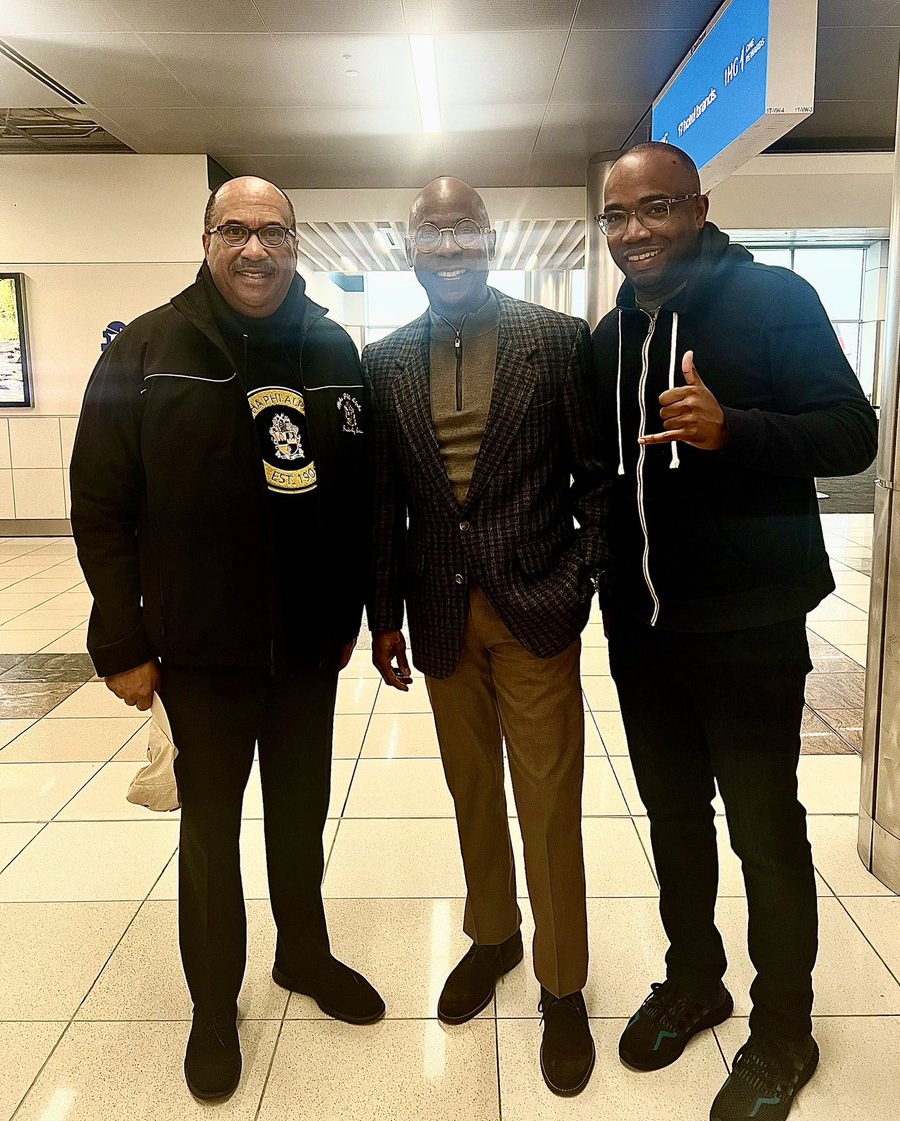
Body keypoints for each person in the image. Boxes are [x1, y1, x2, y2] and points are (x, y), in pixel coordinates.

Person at [70, 176, 385, 1103]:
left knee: (300, 815)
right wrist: (121, 637)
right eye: (237, 231)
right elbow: (99, 503)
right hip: (200, 647)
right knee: (211, 832)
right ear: (206, 239)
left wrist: (350, 617)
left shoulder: (330, 345)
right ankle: (215, 1005)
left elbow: (355, 495)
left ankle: (305, 955)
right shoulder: (148, 349)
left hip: (305, 649)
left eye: (274, 232)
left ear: (297, 242)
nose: (257, 249)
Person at [591, 142, 877, 1121]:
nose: (635, 233)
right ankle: (694, 976)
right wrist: (601, 574)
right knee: (674, 822)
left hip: (751, 627)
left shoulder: (774, 300)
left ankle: (784, 1029)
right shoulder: (611, 334)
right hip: (643, 630)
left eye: (656, 209)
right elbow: (607, 471)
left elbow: (851, 431)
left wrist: (735, 430)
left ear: (700, 206)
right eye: (618, 217)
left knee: (764, 831)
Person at [362, 176, 610, 1096]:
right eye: (434, 233)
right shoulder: (383, 360)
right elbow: (387, 502)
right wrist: (381, 613)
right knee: (473, 792)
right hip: (436, 615)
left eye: (465, 230)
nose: (451, 246)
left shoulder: (554, 341)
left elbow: (596, 477)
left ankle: (563, 984)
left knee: (548, 806)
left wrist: (581, 580)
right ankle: (495, 935)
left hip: (536, 607)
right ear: (411, 248)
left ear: (491, 239)